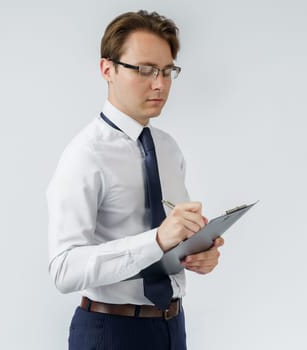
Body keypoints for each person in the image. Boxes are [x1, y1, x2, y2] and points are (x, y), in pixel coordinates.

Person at [47, 10, 224, 350]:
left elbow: (170, 239)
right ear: (107, 69)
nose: (159, 84)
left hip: (172, 327)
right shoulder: (85, 155)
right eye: (144, 70)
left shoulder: (169, 149)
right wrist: (156, 240)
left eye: (167, 71)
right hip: (110, 331)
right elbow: (64, 269)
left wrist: (197, 252)